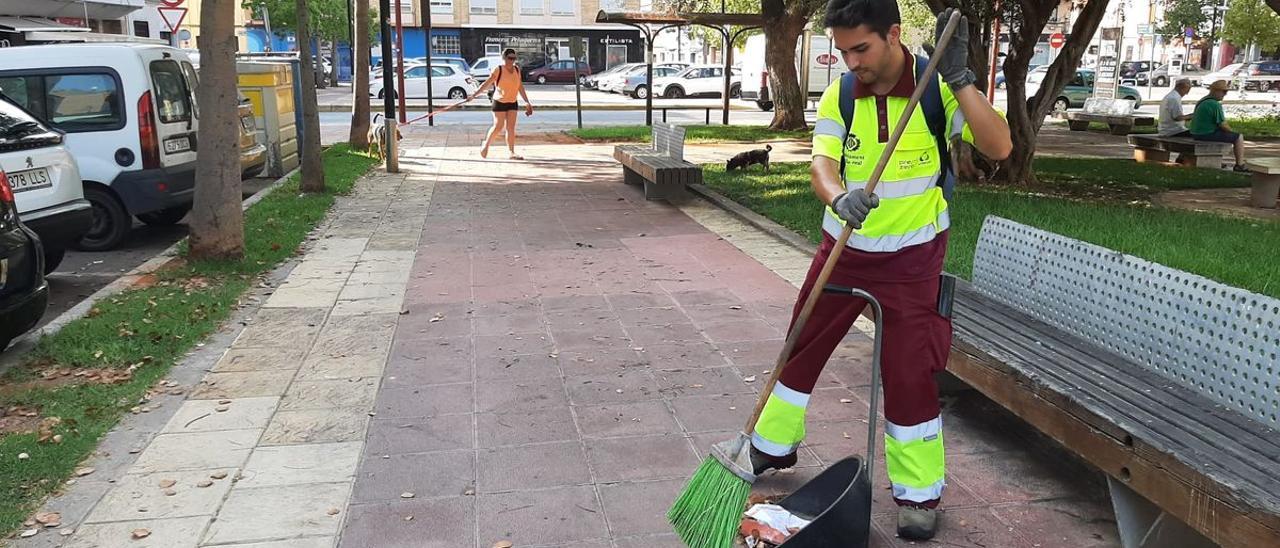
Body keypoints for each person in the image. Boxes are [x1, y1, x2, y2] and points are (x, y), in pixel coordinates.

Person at [747, 0, 1011, 541]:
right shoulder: (842, 94)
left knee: (910, 373)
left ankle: (918, 494)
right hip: (843, 250)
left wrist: (960, 79)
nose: (851, 62)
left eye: (860, 49)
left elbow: (999, 147)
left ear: (894, 35)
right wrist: (837, 195)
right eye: (842, 51)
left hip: (914, 261)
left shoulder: (937, 90)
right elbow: (821, 162)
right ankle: (770, 447)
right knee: (802, 344)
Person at [468, 48, 534, 160]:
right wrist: (474, 94)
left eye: (514, 58)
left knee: (511, 128)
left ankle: (511, 152)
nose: (512, 61)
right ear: (504, 58)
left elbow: (520, 86)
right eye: (510, 58)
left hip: (512, 102)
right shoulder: (498, 70)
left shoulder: (517, 70)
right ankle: (486, 145)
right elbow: (487, 83)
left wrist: (527, 102)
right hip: (499, 101)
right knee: (498, 126)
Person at [1191, 79, 1248, 171]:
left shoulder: (1203, 100)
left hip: (1195, 133)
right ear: (1215, 91)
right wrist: (1233, 132)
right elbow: (1223, 125)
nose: (1225, 94)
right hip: (1206, 134)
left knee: (1225, 134)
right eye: (1224, 91)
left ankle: (1220, 161)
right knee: (1239, 137)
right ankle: (1239, 164)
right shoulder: (1214, 104)